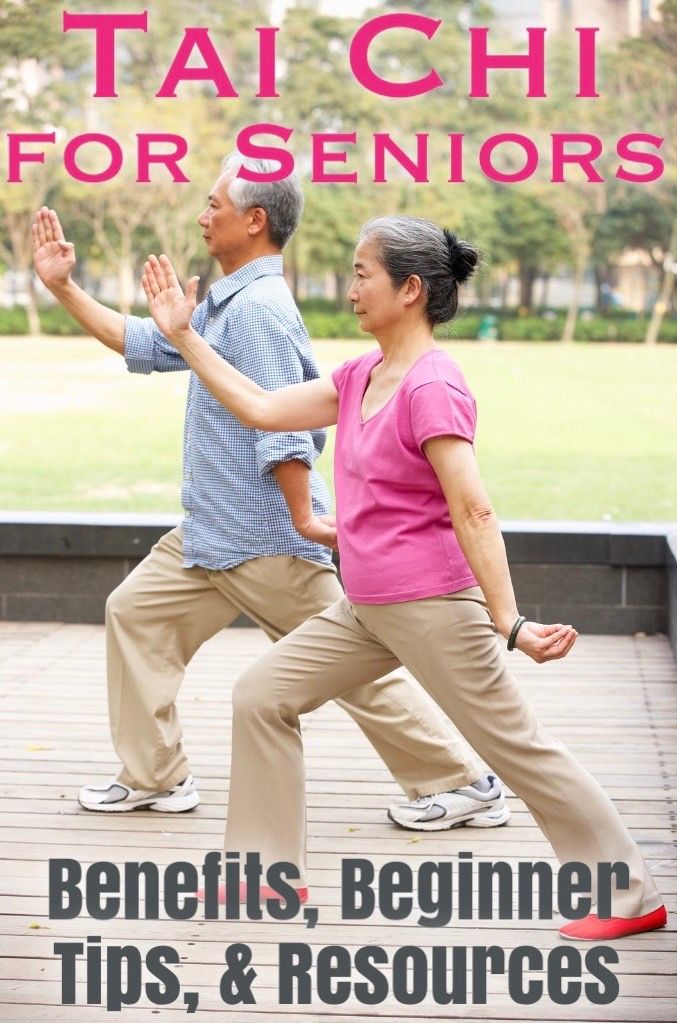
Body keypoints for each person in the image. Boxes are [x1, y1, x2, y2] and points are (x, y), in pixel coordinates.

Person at [139, 215, 667, 940]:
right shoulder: (360, 376)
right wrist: (184, 335)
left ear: (410, 289)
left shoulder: (433, 384)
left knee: (518, 749)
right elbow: (261, 408)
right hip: (366, 607)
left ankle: (629, 894)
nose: (351, 289)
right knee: (261, 693)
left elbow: (472, 508)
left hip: (436, 609)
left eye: (362, 274)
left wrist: (506, 621)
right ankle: (260, 876)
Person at [30, 155, 507, 831]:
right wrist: (64, 286)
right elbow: (142, 342)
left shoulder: (257, 310)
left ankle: (464, 782)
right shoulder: (225, 301)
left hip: (266, 538)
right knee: (134, 613)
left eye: (213, 205)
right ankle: (154, 775)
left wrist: (302, 519)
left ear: (254, 221)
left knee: (356, 666)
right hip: (207, 536)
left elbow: (282, 426)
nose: (202, 216)